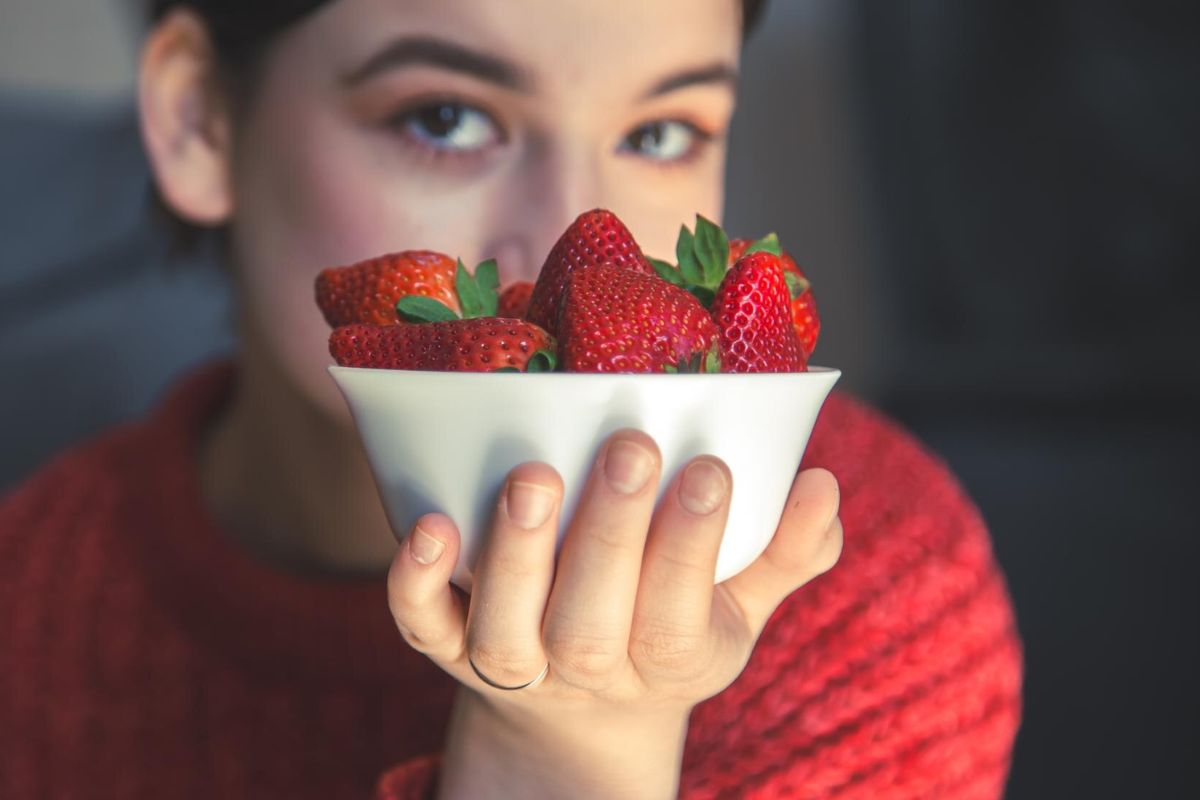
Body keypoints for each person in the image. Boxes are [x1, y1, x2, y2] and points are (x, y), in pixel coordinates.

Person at [0, 0, 1022, 797]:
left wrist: (576, 746)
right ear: (200, 120)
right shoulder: (32, 606)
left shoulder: (875, 587)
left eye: (663, 131)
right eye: (447, 119)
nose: (574, 235)